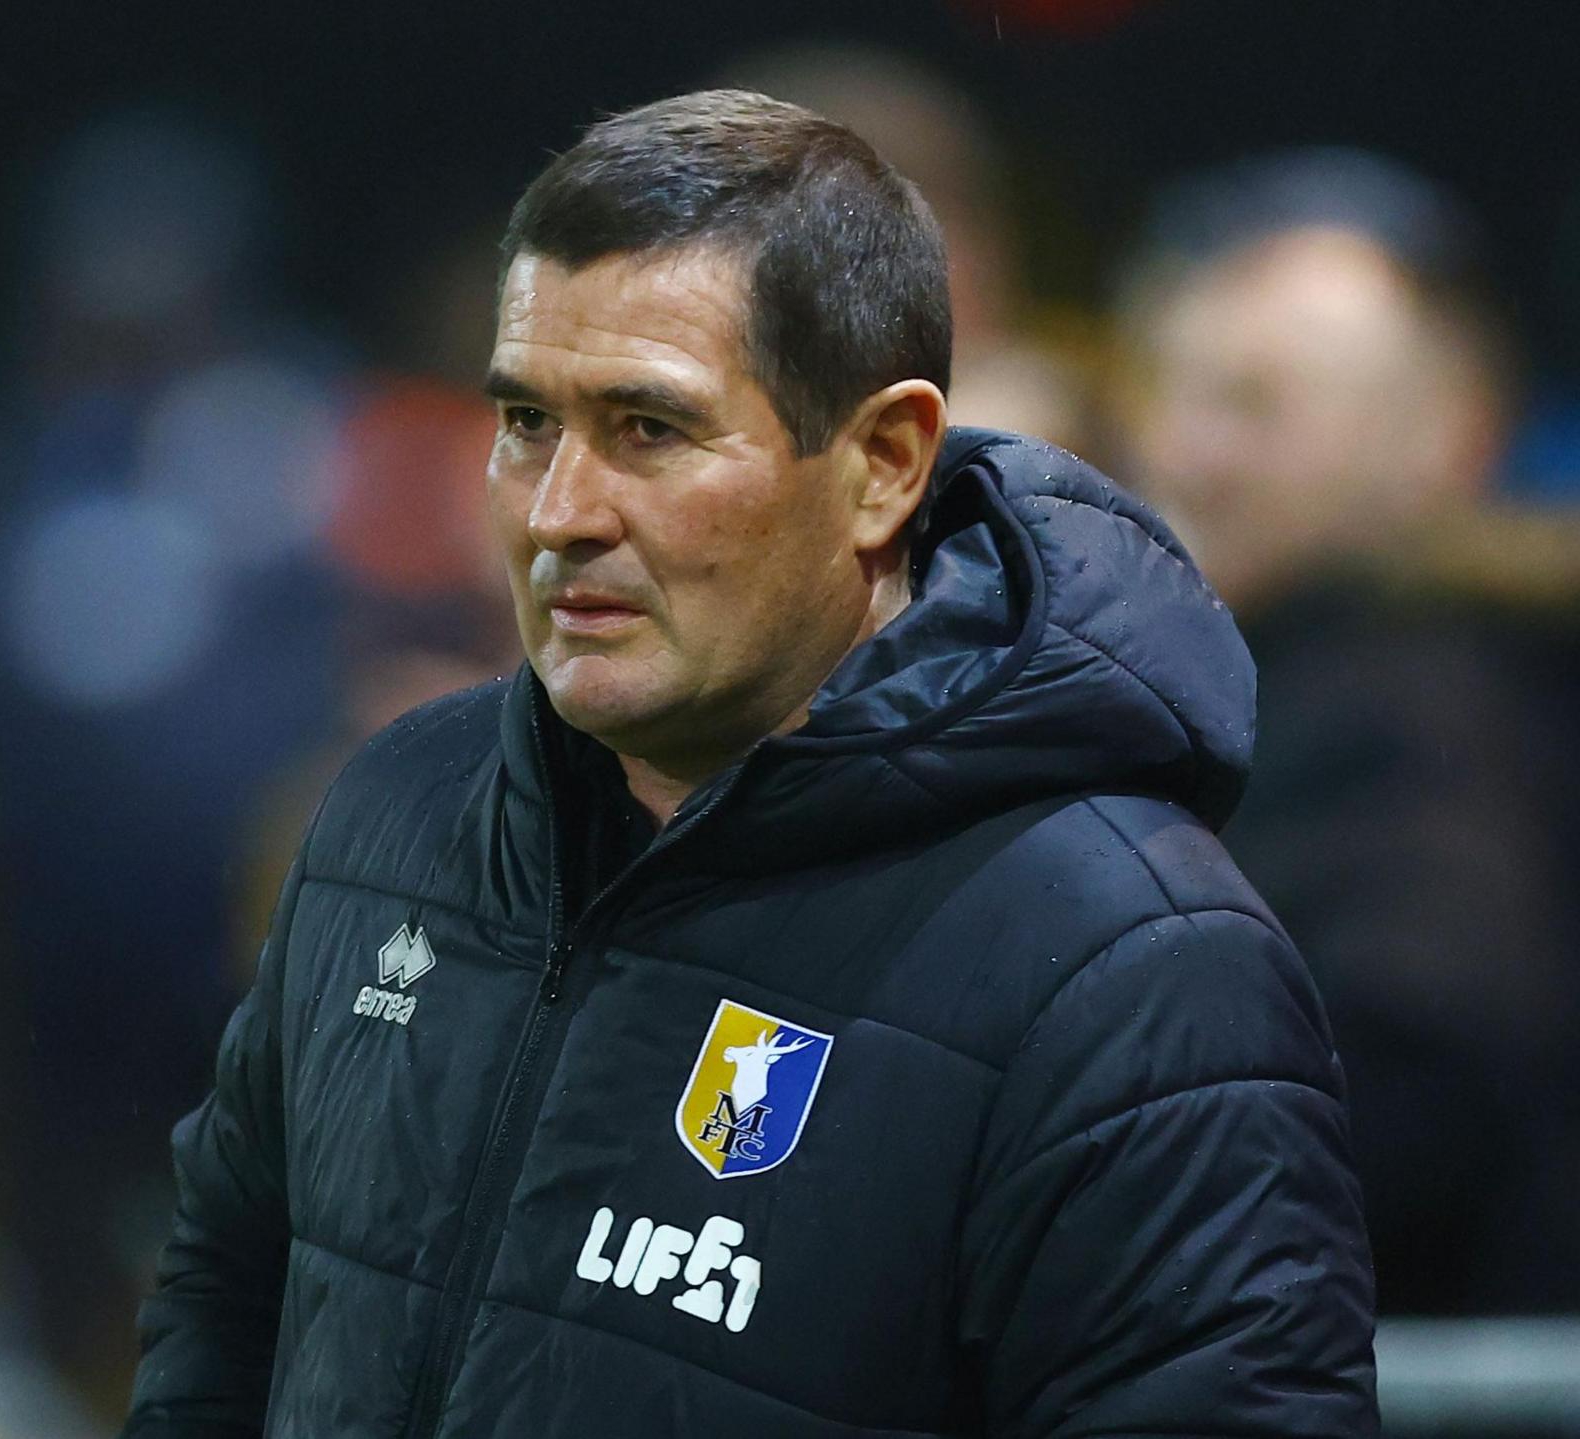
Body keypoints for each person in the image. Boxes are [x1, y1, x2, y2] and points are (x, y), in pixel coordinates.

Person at [121, 90, 1377, 1437]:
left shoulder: (1136, 968)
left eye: (649, 429)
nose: (559, 513)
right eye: (527, 420)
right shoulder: (395, 819)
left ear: (885, 462)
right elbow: (217, 1336)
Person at [1113, 150, 1580, 1316]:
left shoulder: (1420, 703)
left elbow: (1411, 1081)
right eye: (1175, 391)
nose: (1192, 453)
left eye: (1258, 405)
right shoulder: (1227, 679)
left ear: (1449, 434)